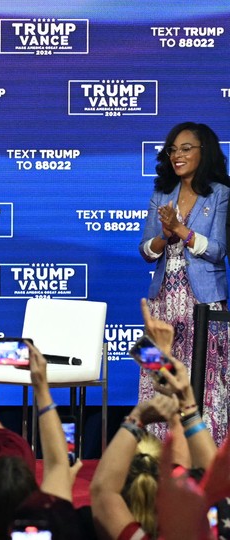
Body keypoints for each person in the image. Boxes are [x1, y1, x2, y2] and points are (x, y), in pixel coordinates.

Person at [138, 122, 230, 444]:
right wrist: (163, 237)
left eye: (186, 148)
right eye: (173, 149)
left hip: (203, 302)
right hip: (164, 300)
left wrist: (181, 230)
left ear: (203, 152)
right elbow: (146, 251)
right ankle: (155, 455)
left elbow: (218, 251)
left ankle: (206, 460)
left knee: (203, 378)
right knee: (159, 375)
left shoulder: (220, 194)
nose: (178, 155)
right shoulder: (161, 193)